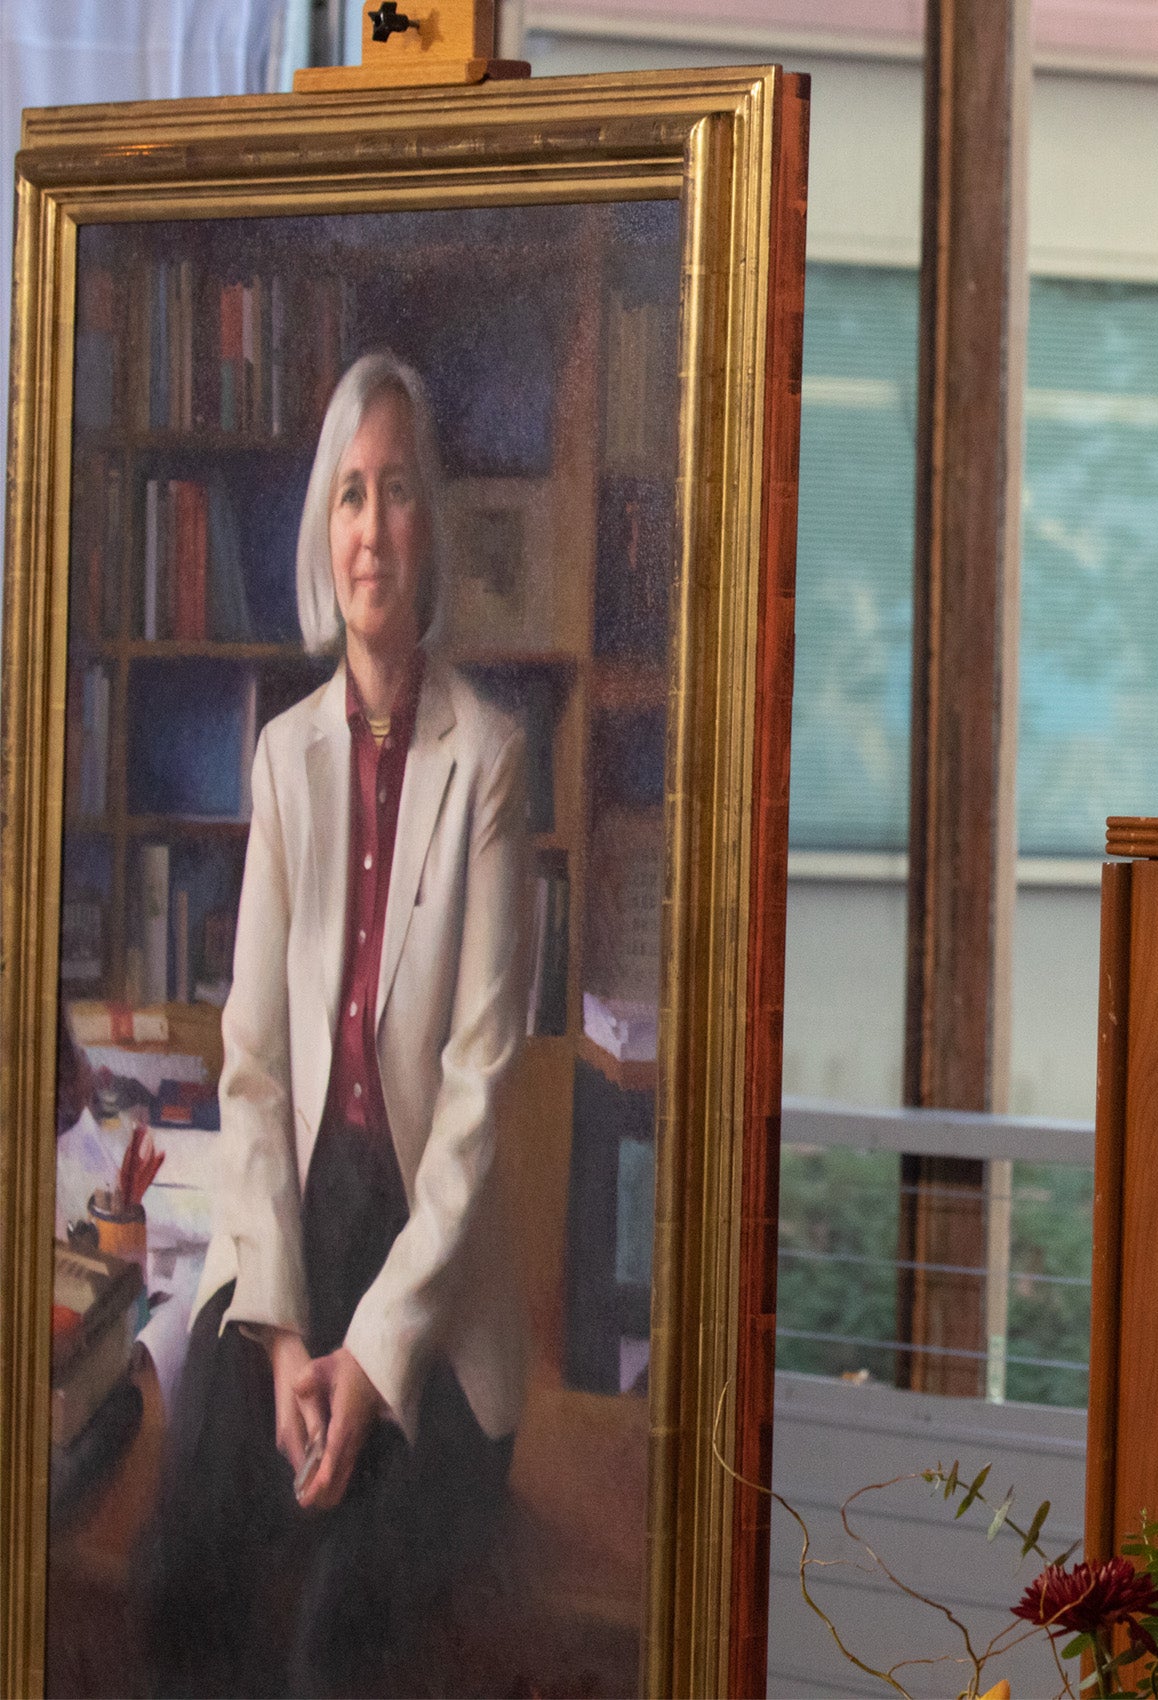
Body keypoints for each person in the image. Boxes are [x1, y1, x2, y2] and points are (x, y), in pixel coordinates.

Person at [135, 352, 533, 1695]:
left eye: (399, 491)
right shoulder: (281, 757)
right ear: (326, 526)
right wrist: (294, 1342)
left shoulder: (490, 759)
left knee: (328, 1647)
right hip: (294, 1238)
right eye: (350, 493)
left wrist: (368, 1361)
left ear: (431, 524)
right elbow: (251, 1073)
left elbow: (476, 1109)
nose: (372, 525)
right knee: (184, 1570)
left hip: (426, 1279)